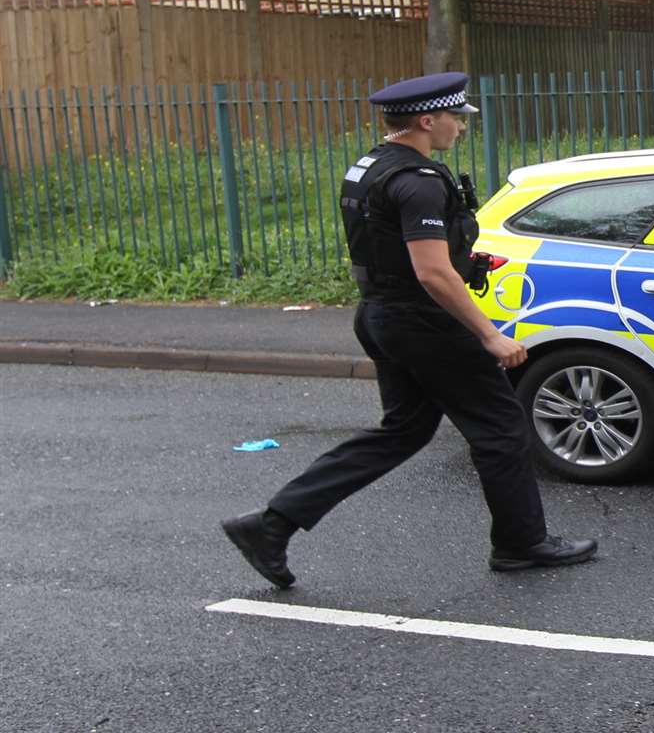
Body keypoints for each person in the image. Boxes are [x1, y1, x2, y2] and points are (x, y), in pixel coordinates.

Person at [221, 72, 596, 588]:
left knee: (404, 430)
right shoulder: (418, 180)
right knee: (500, 426)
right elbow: (431, 272)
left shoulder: (369, 165)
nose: (460, 128)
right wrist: (489, 334)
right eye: (455, 118)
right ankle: (520, 544)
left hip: (380, 314)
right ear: (426, 120)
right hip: (424, 323)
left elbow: (394, 247)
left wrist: (465, 259)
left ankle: (271, 525)